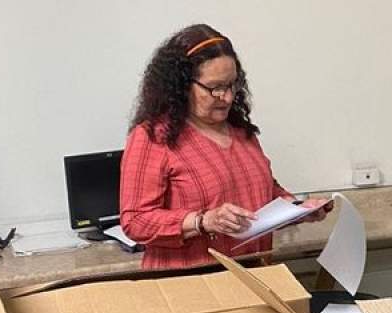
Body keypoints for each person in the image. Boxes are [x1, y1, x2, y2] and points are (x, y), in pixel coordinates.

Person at [121, 24, 331, 269]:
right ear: (181, 86)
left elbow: (264, 193)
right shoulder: (152, 137)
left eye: (232, 85)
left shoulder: (241, 132)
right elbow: (135, 221)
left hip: (255, 277)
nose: (228, 97)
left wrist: (298, 209)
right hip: (192, 288)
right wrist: (203, 221)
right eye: (215, 88)